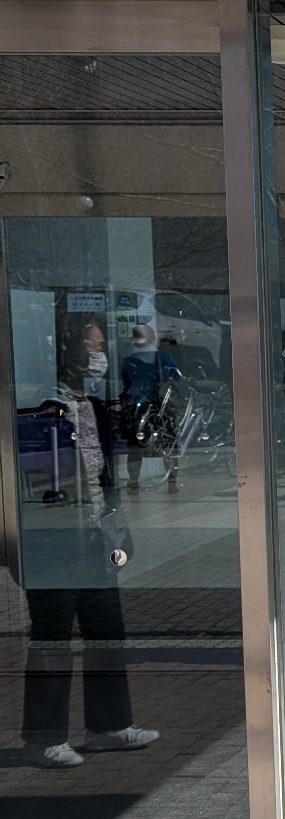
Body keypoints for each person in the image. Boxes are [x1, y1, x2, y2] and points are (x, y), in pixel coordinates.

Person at [21, 323, 159, 768]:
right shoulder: (46, 408)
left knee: (106, 630)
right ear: (69, 351)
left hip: (95, 536)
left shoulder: (94, 408)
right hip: (53, 537)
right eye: (91, 347)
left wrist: (119, 533)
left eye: (101, 348)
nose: (98, 357)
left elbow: (105, 480)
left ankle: (108, 726)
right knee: (53, 635)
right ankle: (45, 737)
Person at [119, 323, 181, 493]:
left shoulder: (129, 362)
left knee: (134, 448)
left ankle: (134, 483)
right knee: (169, 445)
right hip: (162, 407)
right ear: (153, 339)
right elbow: (176, 380)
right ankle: (172, 483)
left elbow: (126, 384)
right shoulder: (165, 358)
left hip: (137, 408)